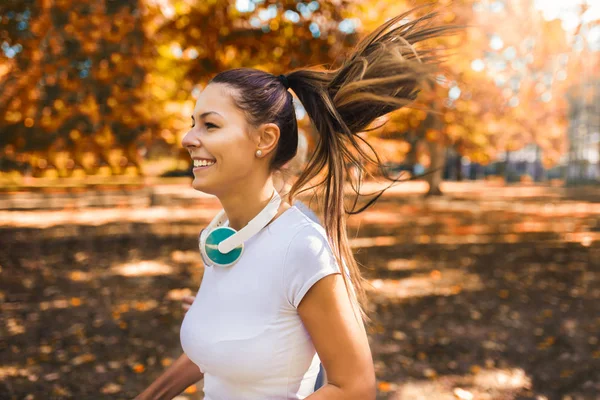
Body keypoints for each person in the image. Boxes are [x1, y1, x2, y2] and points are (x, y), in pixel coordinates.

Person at [136, 10, 445, 400]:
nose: (187, 138)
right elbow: (221, 354)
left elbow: (355, 387)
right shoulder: (223, 238)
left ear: (264, 139)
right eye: (192, 122)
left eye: (209, 125)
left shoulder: (301, 246)